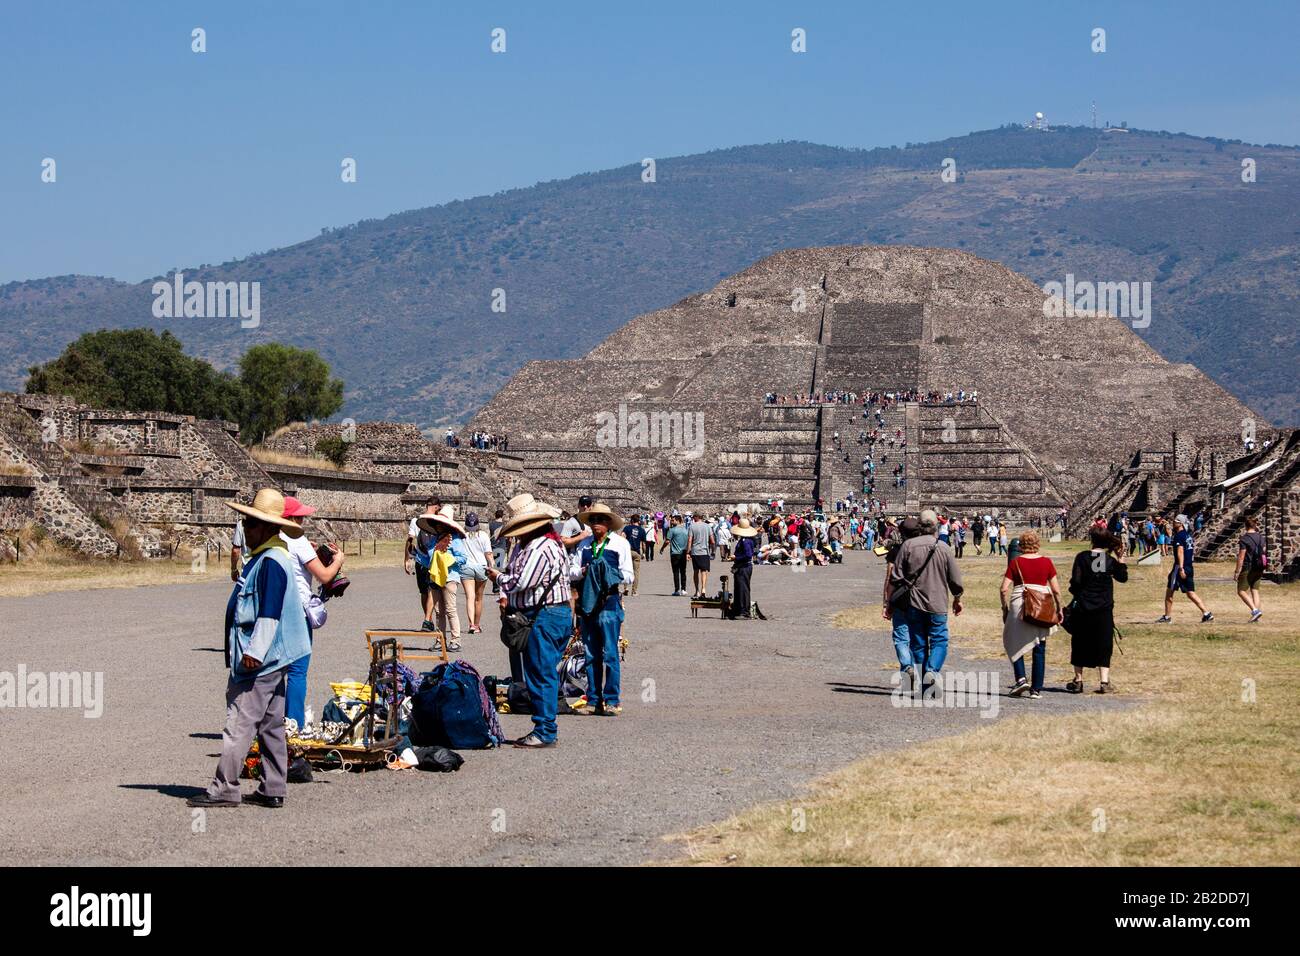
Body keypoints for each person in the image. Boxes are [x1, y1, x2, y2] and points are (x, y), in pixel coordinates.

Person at [188, 489, 311, 809]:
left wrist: (254, 652)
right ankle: (273, 786)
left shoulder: (271, 561)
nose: (245, 527)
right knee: (270, 725)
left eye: (251, 522)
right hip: (272, 659)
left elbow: (269, 612)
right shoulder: (269, 557)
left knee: (240, 721)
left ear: (268, 528)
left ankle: (224, 788)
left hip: (261, 661)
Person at [486, 501, 573, 748]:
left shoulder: (538, 548)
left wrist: (498, 577)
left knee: (540, 673)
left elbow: (521, 582)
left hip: (545, 615)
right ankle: (545, 726)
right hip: (553, 613)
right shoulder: (550, 544)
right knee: (543, 672)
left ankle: (545, 730)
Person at [279, 496, 344, 727]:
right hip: (297, 611)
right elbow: (325, 576)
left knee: (275, 671)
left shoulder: (273, 539)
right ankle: (293, 722)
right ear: (294, 518)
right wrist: (338, 560)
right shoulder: (299, 542)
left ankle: (272, 721)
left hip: (274, 609)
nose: (304, 520)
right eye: (301, 516)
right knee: (297, 671)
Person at [888, 509, 964, 690]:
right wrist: (957, 598)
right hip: (938, 603)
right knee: (939, 640)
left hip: (914, 603)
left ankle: (924, 684)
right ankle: (932, 670)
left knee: (918, 643)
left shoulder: (908, 546)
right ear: (936, 526)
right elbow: (955, 580)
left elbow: (896, 577)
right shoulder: (944, 548)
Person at [571, 503, 633, 716]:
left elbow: (629, 575)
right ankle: (593, 698)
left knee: (610, 654)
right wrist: (583, 571)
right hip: (588, 606)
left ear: (608, 523)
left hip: (609, 604)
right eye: (593, 520)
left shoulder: (619, 544)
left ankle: (612, 699)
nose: (596, 523)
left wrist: (608, 573)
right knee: (590, 654)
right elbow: (571, 571)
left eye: (600, 520)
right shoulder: (585, 545)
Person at [1000, 530, 1062, 700]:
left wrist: (1004, 608)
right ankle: (1036, 689)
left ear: (1020, 546)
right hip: (1041, 603)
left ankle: (1020, 679)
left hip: (1019, 601)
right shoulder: (1047, 562)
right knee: (1039, 645)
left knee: (1012, 639)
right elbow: (1056, 590)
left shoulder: (1016, 562)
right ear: (1037, 544)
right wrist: (1059, 608)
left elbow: (1004, 588)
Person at [1065, 528, 1128, 694]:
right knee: (1104, 642)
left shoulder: (1082, 557)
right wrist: (1120, 559)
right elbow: (1122, 578)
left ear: (1091, 539)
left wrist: (1078, 592)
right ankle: (1104, 681)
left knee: (1079, 641)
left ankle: (1078, 680)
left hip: (1084, 606)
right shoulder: (1108, 560)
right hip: (1104, 607)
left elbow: (1076, 581)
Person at [416, 506, 468, 651]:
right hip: (435, 579)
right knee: (439, 612)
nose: (438, 525)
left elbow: (463, 558)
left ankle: (456, 640)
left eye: (440, 523)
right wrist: (418, 557)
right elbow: (431, 560)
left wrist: (449, 559)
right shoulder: (433, 541)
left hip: (450, 577)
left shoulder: (455, 540)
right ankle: (440, 640)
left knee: (451, 610)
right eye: (436, 523)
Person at [882, 516, 922, 688]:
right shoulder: (926, 549)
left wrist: (886, 602)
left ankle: (907, 667)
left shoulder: (896, 551)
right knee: (916, 637)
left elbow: (890, 578)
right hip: (921, 598)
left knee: (900, 637)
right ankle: (912, 672)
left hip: (900, 598)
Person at [1158, 514, 1213, 623]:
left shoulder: (1179, 536)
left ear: (1180, 523)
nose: (1173, 523)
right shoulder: (1188, 536)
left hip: (1180, 567)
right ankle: (1206, 613)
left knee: (1170, 592)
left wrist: (1181, 568)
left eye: (1175, 521)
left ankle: (1167, 617)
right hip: (1189, 566)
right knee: (1190, 592)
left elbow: (1180, 552)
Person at [404, 498, 443, 629]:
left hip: (420, 561)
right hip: (433, 561)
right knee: (432, 590)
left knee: (423, 592)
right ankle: (428, 618)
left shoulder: (416, 521)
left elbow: (410, 540)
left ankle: (428, 619)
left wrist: (407, 559)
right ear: (437, 507)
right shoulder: (438, 521)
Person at [461, 512, 493, 634]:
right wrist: (491, 565)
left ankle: (471, 625)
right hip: (481, 567)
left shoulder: (462, 535)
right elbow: (488, 553)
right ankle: (477, 624)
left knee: (470, 597)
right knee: (478, 599)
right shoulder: (483, 535)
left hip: (466, 567)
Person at [1234, 517, 1266, 622]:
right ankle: (1256, 615)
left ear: (1245, 526)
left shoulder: (1244, 539)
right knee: (1255, 590)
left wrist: (1237, 571)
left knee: (1241, 591)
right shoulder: (1261, 537)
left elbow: (1241, 556)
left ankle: (1255, 611)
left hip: (1248, 567)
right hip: (1260, 566)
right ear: (1255, 525)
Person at [729, 518, 758, 618]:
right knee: (739, 587)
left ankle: (744, 610)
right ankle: (739, 608)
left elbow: (748, 555)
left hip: (744, 567)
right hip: (743, 566)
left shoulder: (745, 541)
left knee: (743, 588)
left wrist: (736, 557)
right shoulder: (746, 540)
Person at [661, 513, 689, 596]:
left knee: (676, 572)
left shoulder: (672, 530)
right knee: (683, 571)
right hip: (683, 553)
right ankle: (683, 589)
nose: (671, 522)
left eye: (673, 520)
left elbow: (667, 541)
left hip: (675, 553)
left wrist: (662, 548)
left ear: (678, 520)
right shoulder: (685, 530)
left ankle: (677, 590)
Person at [687, 513, 714, 598]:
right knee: (704, 571)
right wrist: (712, 550)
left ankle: (697, 591)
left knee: (695, 571)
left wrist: (688, 552)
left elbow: (690, 540)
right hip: (704, 551)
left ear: (696, 517)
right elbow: (712, 541)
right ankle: (703, 589)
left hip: (695, 551)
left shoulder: (692, 526)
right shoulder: (708, 526)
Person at [622, 514, 645, 596]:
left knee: (626, 570)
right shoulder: (642, 530)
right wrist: (644, 553)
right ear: (639, 521)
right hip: (636, 552)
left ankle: (626, 588)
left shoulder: (627, 528)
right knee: (636, 572)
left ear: (631, 520)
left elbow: (622, 537)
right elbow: (643, 543)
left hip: (628, 551)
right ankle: (634, 591)